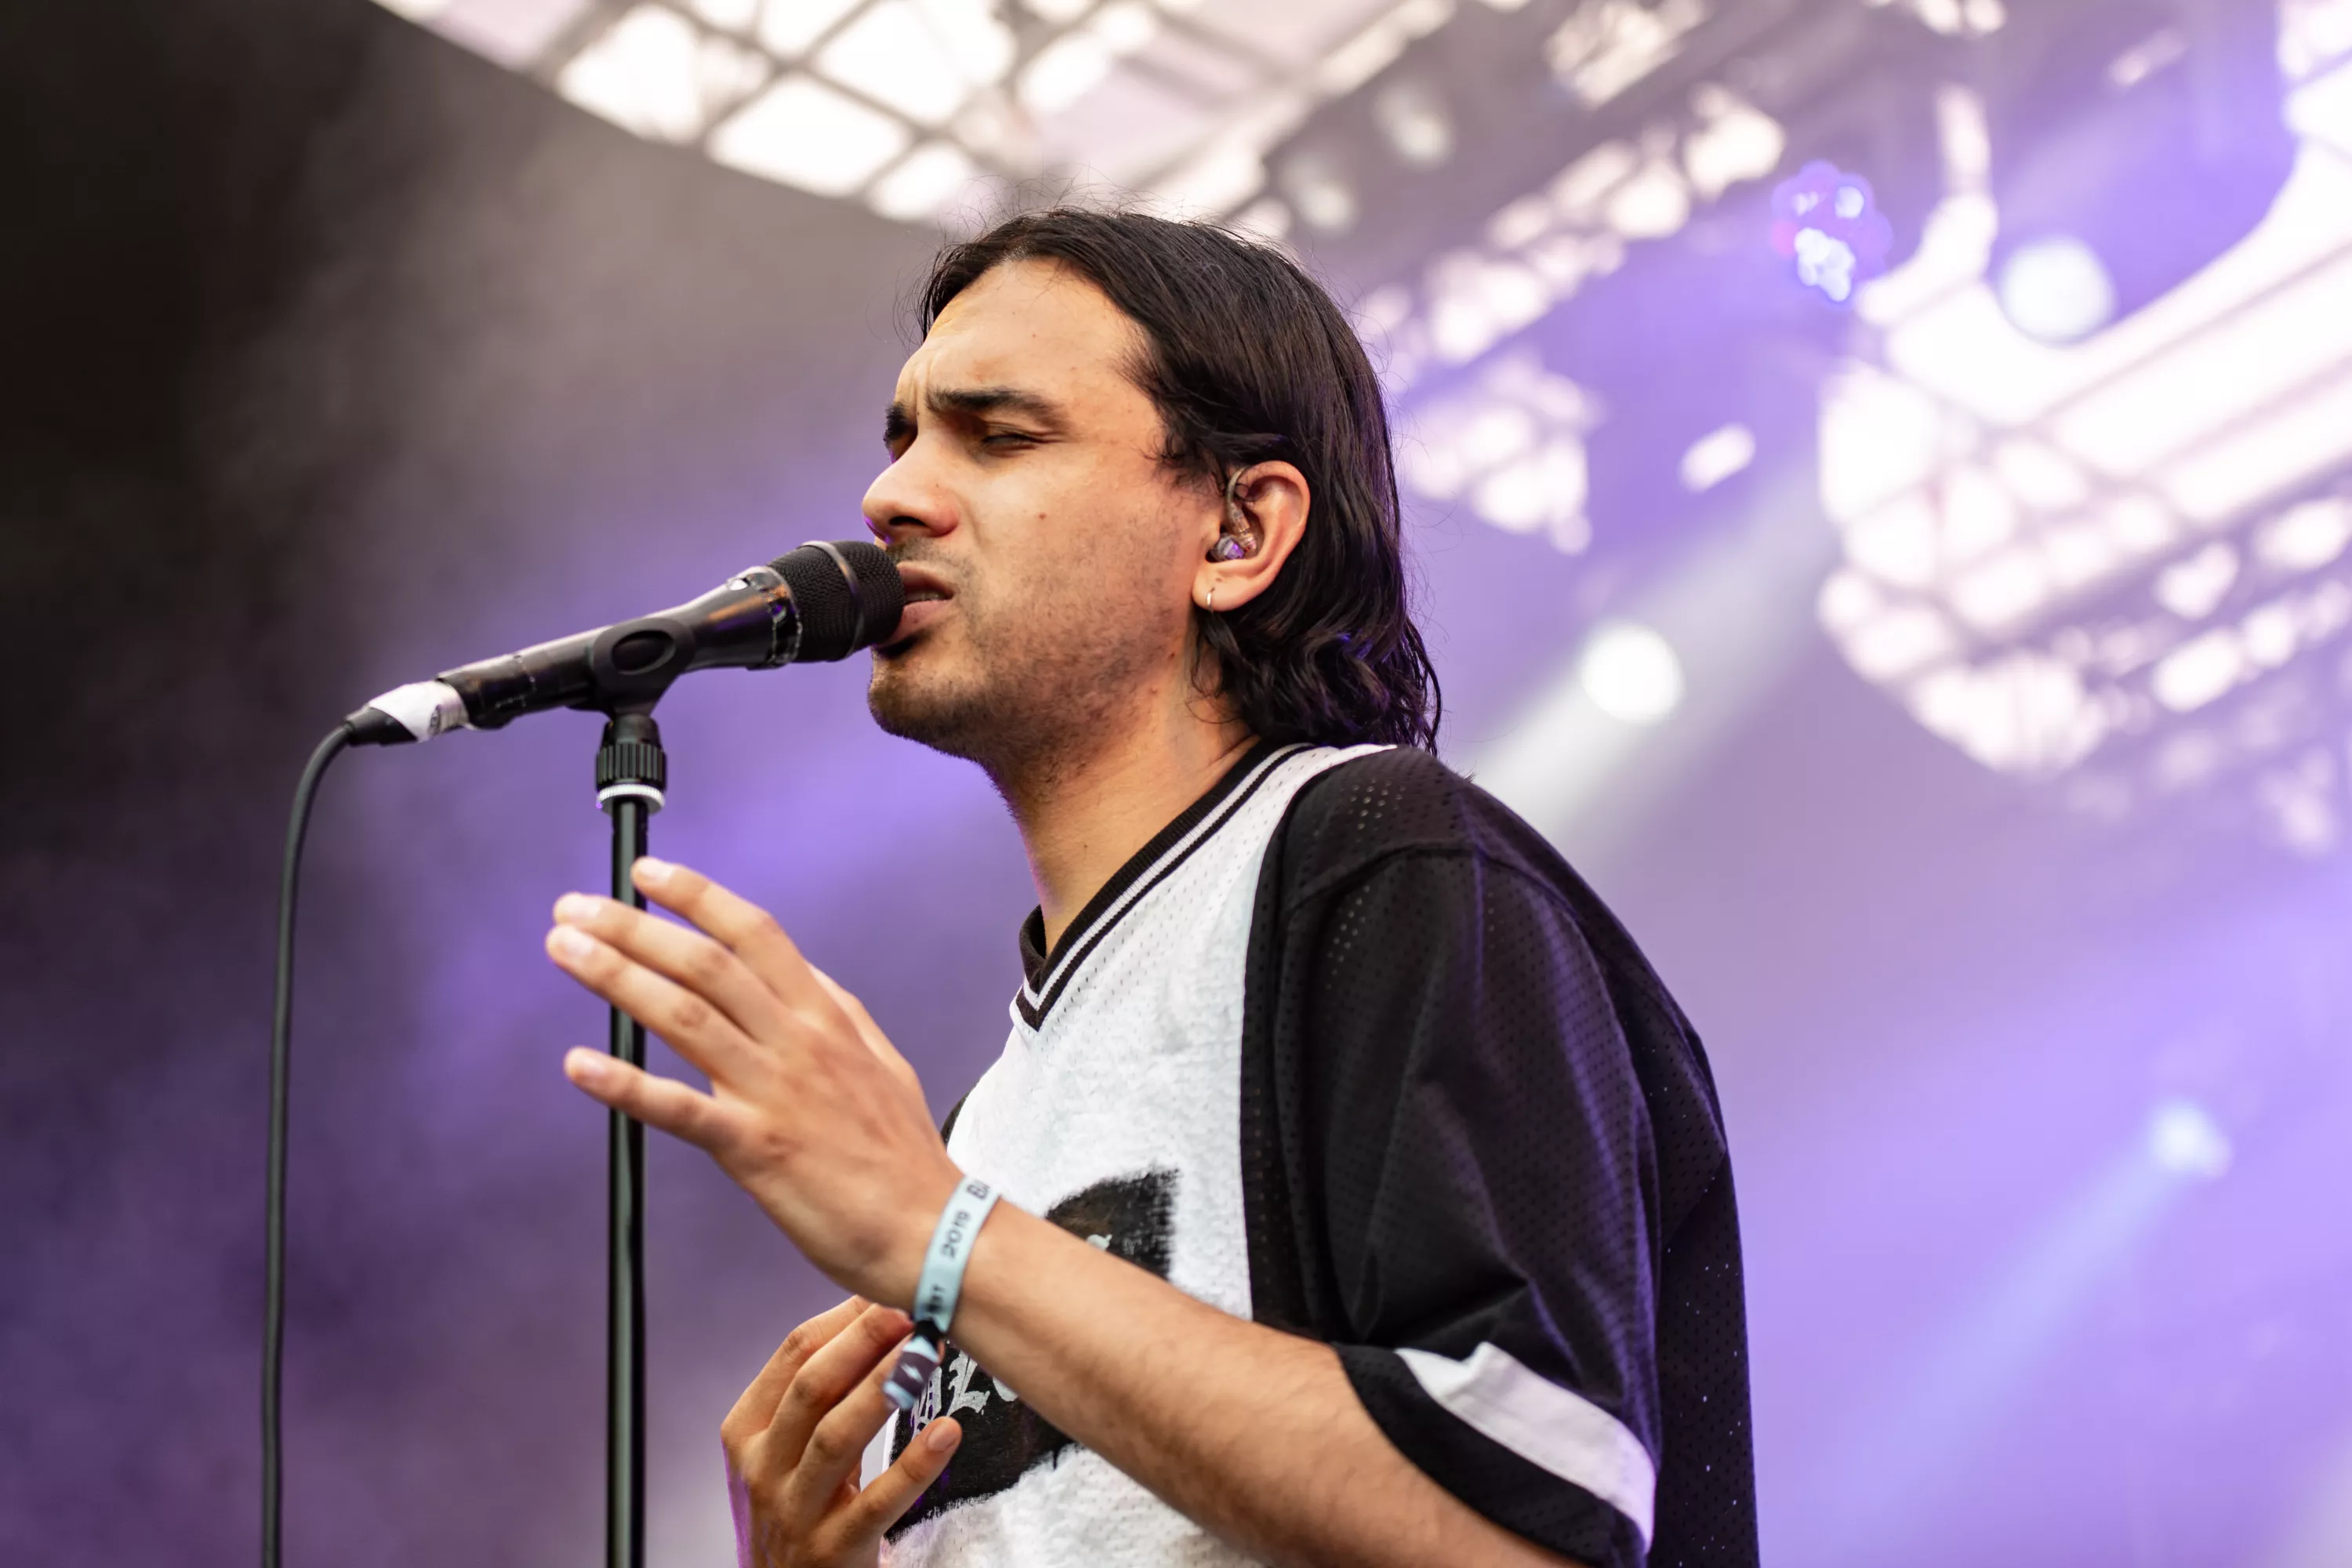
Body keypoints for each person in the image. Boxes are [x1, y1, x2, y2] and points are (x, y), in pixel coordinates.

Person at [539, 209, 1755, 1568]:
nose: (892, 498)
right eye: (903, 438)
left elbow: (1523, 1529)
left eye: (1000, 437)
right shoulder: (991, 1118)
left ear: (1238, 530)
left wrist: (942, 1233)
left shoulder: (1380, 860)